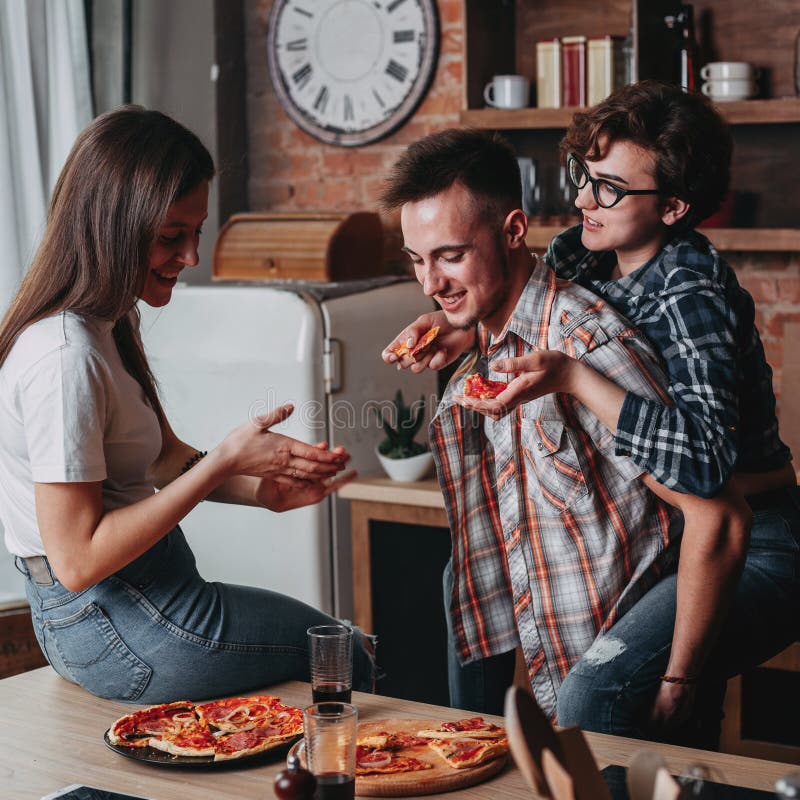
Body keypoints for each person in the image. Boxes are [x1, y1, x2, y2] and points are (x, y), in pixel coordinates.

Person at [385, 83, 800, 746]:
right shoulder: (583, 252)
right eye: (583, 176)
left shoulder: (687, 283)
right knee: (465, 576)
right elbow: (524, 289)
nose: (582, 199)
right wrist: (463, 318)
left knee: (614, 692)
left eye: (608, 187)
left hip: (753, 525)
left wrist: (576, 377)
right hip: (683, 512)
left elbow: (705, 473)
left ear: (673, 207)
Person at [0, 106, 375, 704]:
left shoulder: (106, 321)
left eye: (197, 232)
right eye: (172, 237)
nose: (192, 257)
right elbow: (76, 560)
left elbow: (160, 460)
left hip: (134, 603)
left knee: (332, 654)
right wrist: (225, 462)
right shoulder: (64, 358)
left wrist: (260, 490)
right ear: (113, 225)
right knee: (344, 650)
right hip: (116, 616)